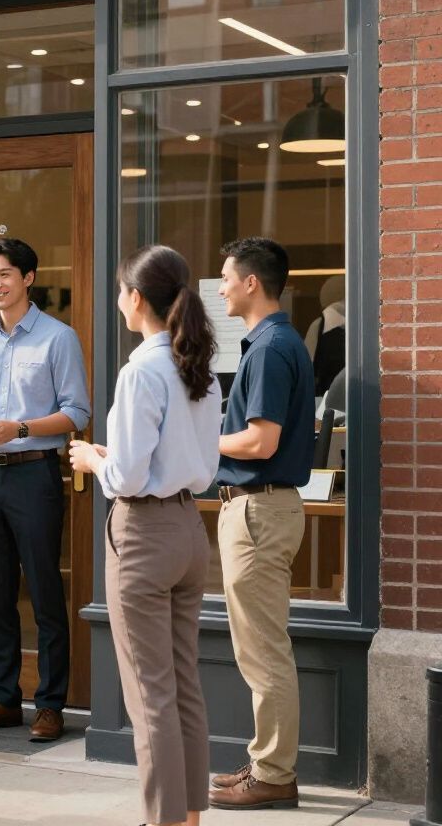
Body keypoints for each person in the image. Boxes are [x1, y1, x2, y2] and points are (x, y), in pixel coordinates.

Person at [69, 245, 220, 826]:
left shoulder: (141, 369)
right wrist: (114, 460)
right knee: (183, 684)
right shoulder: (196, 366)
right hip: (188, 526)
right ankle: (188, 817)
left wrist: (91, 461)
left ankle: (162, 821)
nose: (118, 302)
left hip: (143, 533)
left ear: (136, 297)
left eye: (120, 291)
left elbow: (127, 477)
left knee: (150, 693)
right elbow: (195, 462)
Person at [0, 238, 90, 743]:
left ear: (28, 278)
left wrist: (22, 429)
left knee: (44, 591)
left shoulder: (58, 338)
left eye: (5, 274)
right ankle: (4, 697)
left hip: (34, 473)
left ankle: (51, 704)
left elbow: (77, 412)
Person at [208, 237, 314, 812]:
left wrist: (200, 442)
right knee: (260, 647)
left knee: (263, 650)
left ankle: (273, 773)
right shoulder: (273, 343)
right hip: (261, 509)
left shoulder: (270, 348)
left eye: (225, 277)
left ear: (252, 282)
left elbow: (260, 440)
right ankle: (265, 761)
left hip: (258, 509)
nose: (220, 286)